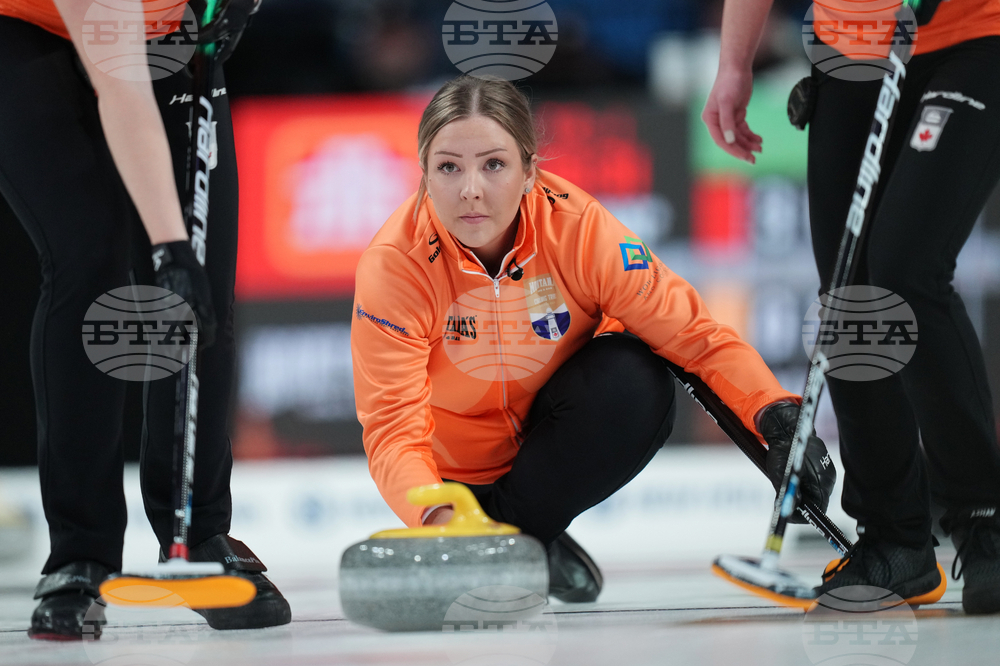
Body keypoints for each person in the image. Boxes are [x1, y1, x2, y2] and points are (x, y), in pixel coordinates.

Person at [351, 75, 836, 603]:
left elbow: (691, 334)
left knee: (634, 377)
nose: (471, 189)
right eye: (449, 167)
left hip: (544, 451)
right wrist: (440, 519)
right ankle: (513, 540)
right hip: (454, 484)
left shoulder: (579, 230)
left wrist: (776, 415)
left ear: (530, 171)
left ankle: (519, 537)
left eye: (494, 164)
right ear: (422, 175)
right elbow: (392, 429)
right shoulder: (395, 266)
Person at [0, 0, 291, 639]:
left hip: (166, 31)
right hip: (28, 34)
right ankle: (80, 554)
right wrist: (169, 248)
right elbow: (120, 85)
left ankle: (197, 533)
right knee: (89, 263)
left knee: (206, 288)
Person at [703, 0, 1000, 613]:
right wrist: (734, 62)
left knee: (906, 272)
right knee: (852, 297)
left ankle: (984, 521)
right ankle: (893, 541)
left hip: (970, 35)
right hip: (850, 49)